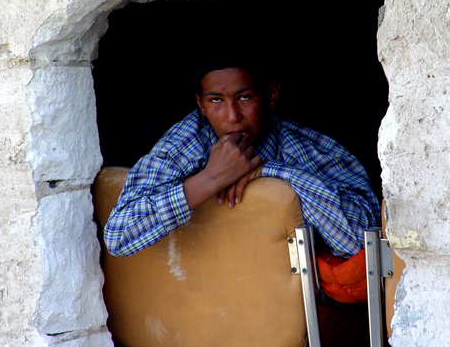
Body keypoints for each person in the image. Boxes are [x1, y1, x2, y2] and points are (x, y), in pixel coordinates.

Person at [104, 58, 380, 258]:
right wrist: (211, 179)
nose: (232, 115)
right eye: (215, 101)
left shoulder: (305, 148)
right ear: (200, 104)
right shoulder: (184, 144)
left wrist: (273, 172)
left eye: (245, 97)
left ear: (271, 96)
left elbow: (362, 245)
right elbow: (119, 236)